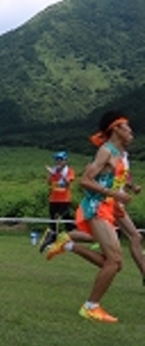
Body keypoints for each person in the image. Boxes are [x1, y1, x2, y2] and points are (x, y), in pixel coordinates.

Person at [46, 111, 134, 323]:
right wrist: (116, 194)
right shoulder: (106, 151)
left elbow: (111, 179)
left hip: (107, 209)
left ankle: (68, 245)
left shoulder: (118, 153)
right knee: (113, 261)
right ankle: (91, 306)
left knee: (116, 263)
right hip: (96, 208)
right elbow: (85, 181)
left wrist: (122, 192)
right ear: (116, 128)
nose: (131, 131)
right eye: (127, 127)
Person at [38, 151, 76, 251]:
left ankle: (72, 239)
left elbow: (68, 183)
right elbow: (49, 183)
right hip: (53, 199)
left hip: (65, 200)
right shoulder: (53, 171)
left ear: (65, 161)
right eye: (57, 159)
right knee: (53, 221)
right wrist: (52, 175)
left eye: (60, 159)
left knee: (66, 219)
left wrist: (58, 173)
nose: (58, 161)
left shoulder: (69, 171)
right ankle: (53, 240)